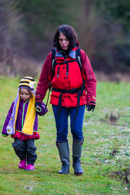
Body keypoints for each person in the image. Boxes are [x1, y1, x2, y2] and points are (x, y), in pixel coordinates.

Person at [35, 25, 96, 176]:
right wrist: (38, 100)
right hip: (58, 99)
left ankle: (77, 162)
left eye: (66, 39)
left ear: (72, 39)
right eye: (60, 39)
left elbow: (90, 79)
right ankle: (65, 164)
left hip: (77, 100)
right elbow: (43, 80)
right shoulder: (52, 56)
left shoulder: (81, 55)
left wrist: (91, 99)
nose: (63, 42)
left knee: (76, 130)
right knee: (61, 132)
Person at [2, 76, 48, 171]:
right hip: (18, 129)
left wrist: (39, 107)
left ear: (31, 93)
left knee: (30, 147)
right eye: (22, 93)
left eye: (26, 94)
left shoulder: (35, 101)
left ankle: (31, 163)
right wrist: (5, 130)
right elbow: (10, 115)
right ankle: (22, 159)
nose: (24, 96)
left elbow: (43, 111)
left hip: (30, 129)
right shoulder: (16, 103)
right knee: (18, 146)